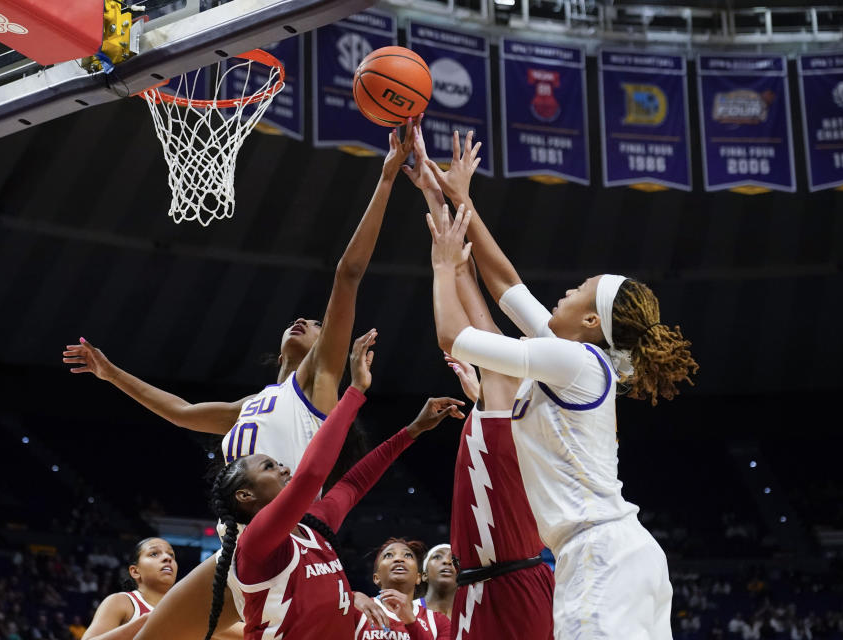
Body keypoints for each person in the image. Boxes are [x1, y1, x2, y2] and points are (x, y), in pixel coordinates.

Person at [63, 123, 421, 639]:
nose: (305, 322)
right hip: (237, 544)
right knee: (137, 638)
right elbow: (180, 412)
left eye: (316, 324)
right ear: (276, 346)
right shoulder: (252, 403)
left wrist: (385, 179)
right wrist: (109, 371)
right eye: (296, 321)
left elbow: (347, 274)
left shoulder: (319, 384)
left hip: (283, 547)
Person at [422, 129, 698, 639]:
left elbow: (453, 335)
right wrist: (460, 200)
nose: (568, 291)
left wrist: (443, 265)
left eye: (579, 290)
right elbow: (505, 284)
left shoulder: (574, 362)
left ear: (591, 321)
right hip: (618, 554)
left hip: (600, 556)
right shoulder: (576, 360)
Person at [202, 330, 464, 640]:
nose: (284, 466)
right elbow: (311, 474)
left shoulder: (314, 525)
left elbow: (355, 482)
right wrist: (355, 390)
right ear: (246, 495)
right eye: (269, 466)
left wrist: (413, 430)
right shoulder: (258, 540)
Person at [402, 120, 554, 640]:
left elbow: (468, 319)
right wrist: (436, 194)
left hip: (514, 588)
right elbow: (477, 285)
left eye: (577, 293)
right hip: (482, 586)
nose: (561, 300)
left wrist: (443, 263)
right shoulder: (513, 398)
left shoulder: (527, 395)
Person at [81, 538, 178, 640]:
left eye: (171, 554)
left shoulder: (181, 611)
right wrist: (141, 624)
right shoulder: (120, 601)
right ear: (135, 571)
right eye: (154, 554)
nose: (167, 558)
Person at [355, 538, 451, 639]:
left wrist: (411, 621)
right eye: (388, 555)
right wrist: (352, 596)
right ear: (376, 578)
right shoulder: (358, 610)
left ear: (418, 578)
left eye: (408, 555)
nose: (399, 559)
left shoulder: (439, 622)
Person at [415, 544, 455, 620]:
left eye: (453, 558)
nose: (447, 561)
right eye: (437, 557)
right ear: (424, 575)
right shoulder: (408, 610)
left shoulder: (473, 614)